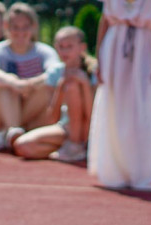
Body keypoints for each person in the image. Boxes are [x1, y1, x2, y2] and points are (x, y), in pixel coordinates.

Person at [87, 0, 151, 190]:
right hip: (114, 45)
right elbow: (105, 19)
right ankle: (113, 170)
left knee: (141, 108)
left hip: (144, 46)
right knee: (114, 105)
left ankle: (140, 172)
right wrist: (98, 57)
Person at [0, 3, 60, 152]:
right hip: (0, 113)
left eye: (25, 26)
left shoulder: (44, 51)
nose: (20, 32)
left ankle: (12, 133)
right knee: (5, 87)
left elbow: (55, 72)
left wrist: (30, 84)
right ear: (7, 27)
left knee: (46, 87)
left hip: (33, 112)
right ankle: (13, 130)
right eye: (15, 27)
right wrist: (14, 82)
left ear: (33, 27)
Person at [13, 26, 96, 162]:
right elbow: (52, 118)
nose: (64, 51)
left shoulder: (94, 71)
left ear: (82, 47)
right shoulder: (54, 73)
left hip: (90, 129)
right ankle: (72, 149)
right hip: (65, 128)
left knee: (73, 87)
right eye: (61, 47)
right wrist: (60, 86)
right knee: (23, 146)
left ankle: (76, 145)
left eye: (69, 46)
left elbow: (93, 114)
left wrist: (85, 84)